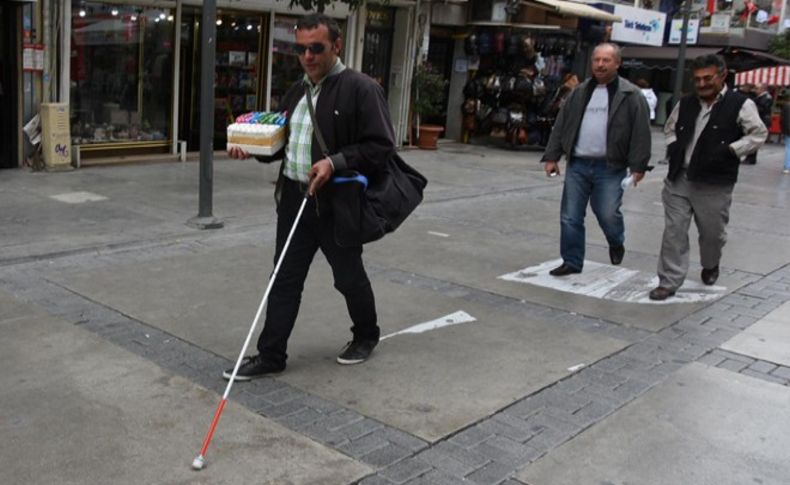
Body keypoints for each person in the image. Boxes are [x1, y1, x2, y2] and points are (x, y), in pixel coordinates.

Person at [224, 14, 394, 379]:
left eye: (316, 48)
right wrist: (251, 147)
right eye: (300, 49)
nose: (308, 56)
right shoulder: (296, 91)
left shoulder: (361, 89)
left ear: (336, 45)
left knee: (348, 276)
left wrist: (335, 162)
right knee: (283, 278)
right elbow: (283, 147)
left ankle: (366, 334)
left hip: (338, 203)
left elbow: (381, 147)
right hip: (294, 200)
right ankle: (271, 355)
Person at [649, 55, 768, 301]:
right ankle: (669, 281)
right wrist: (673, 147)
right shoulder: (686, 103)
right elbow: (670, 128)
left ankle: (710, 264)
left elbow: (758, 134)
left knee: (712, 234)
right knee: (674, 231)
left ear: (722, 76)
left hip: (714, 183)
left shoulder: (740, 104)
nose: (701, 84)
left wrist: (731, 150)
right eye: (697, 79)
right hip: (679, 179)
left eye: (707, 78)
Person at [542, 43, 651, 276]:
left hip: (610, 167)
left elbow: (641, 132)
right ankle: (572, 261)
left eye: (606, 60)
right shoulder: (579, 92)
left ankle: (616, 240)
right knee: (570, 216)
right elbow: (561, 125)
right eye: (596, 60)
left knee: (607, 213)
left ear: (617, 64)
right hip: (578, 164)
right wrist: (552, 156)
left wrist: (638, 166)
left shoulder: (631, 95)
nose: (600, 65)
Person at [743, 83, 772, 164]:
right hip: (757, 120)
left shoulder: (766, 97)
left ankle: (751, 159)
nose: (755, 90)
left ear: (762, 89)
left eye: (757, 88)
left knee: (754, 139)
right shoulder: (760, 97)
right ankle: (749, 157)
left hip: (761, 121)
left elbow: (762, 109)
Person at [783, 101, 790, 174]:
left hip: (788, 130)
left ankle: (787, 167)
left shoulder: (787, 106)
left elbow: (783, 119)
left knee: (788, 148)